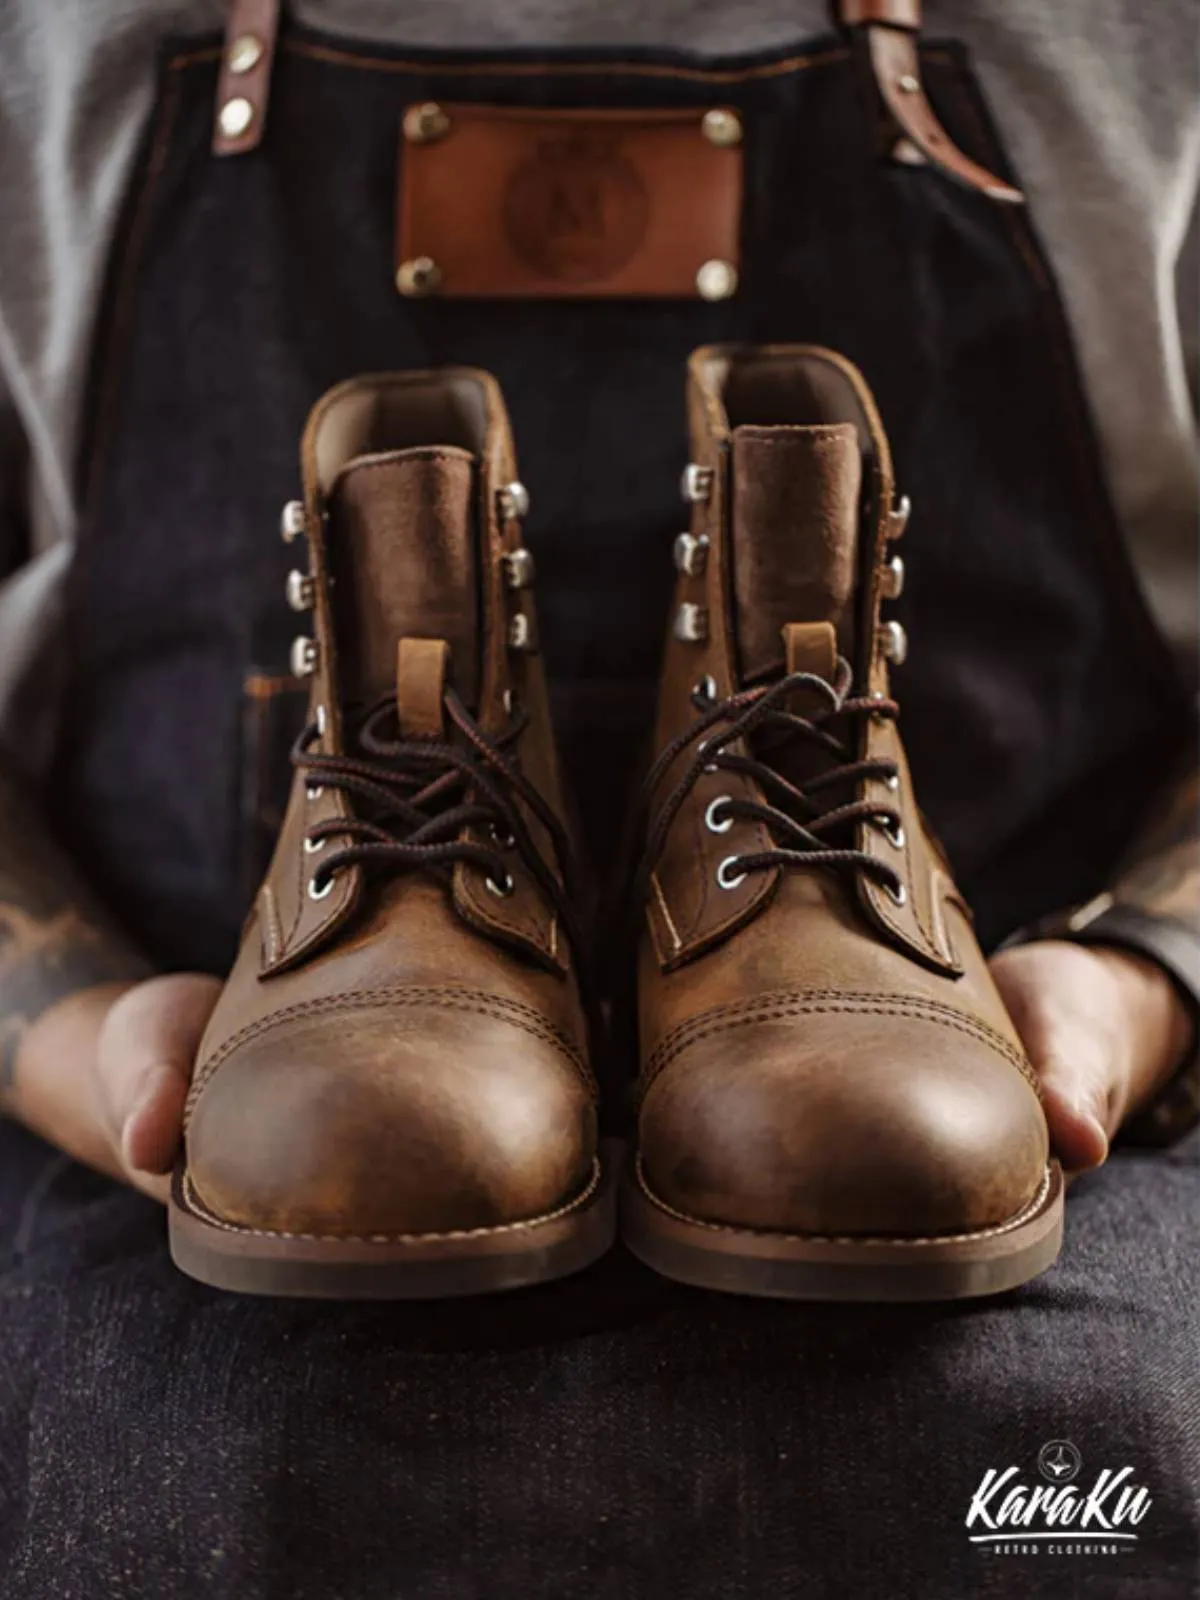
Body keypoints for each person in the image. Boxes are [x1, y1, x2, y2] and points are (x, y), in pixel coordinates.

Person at [0, 2, 1196, 1596]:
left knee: (1082, 1471)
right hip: (202, 1108)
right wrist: (63, 1026)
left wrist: (1144, 984)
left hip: (1023, 1093)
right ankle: (419, 867)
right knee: (189, 1490)